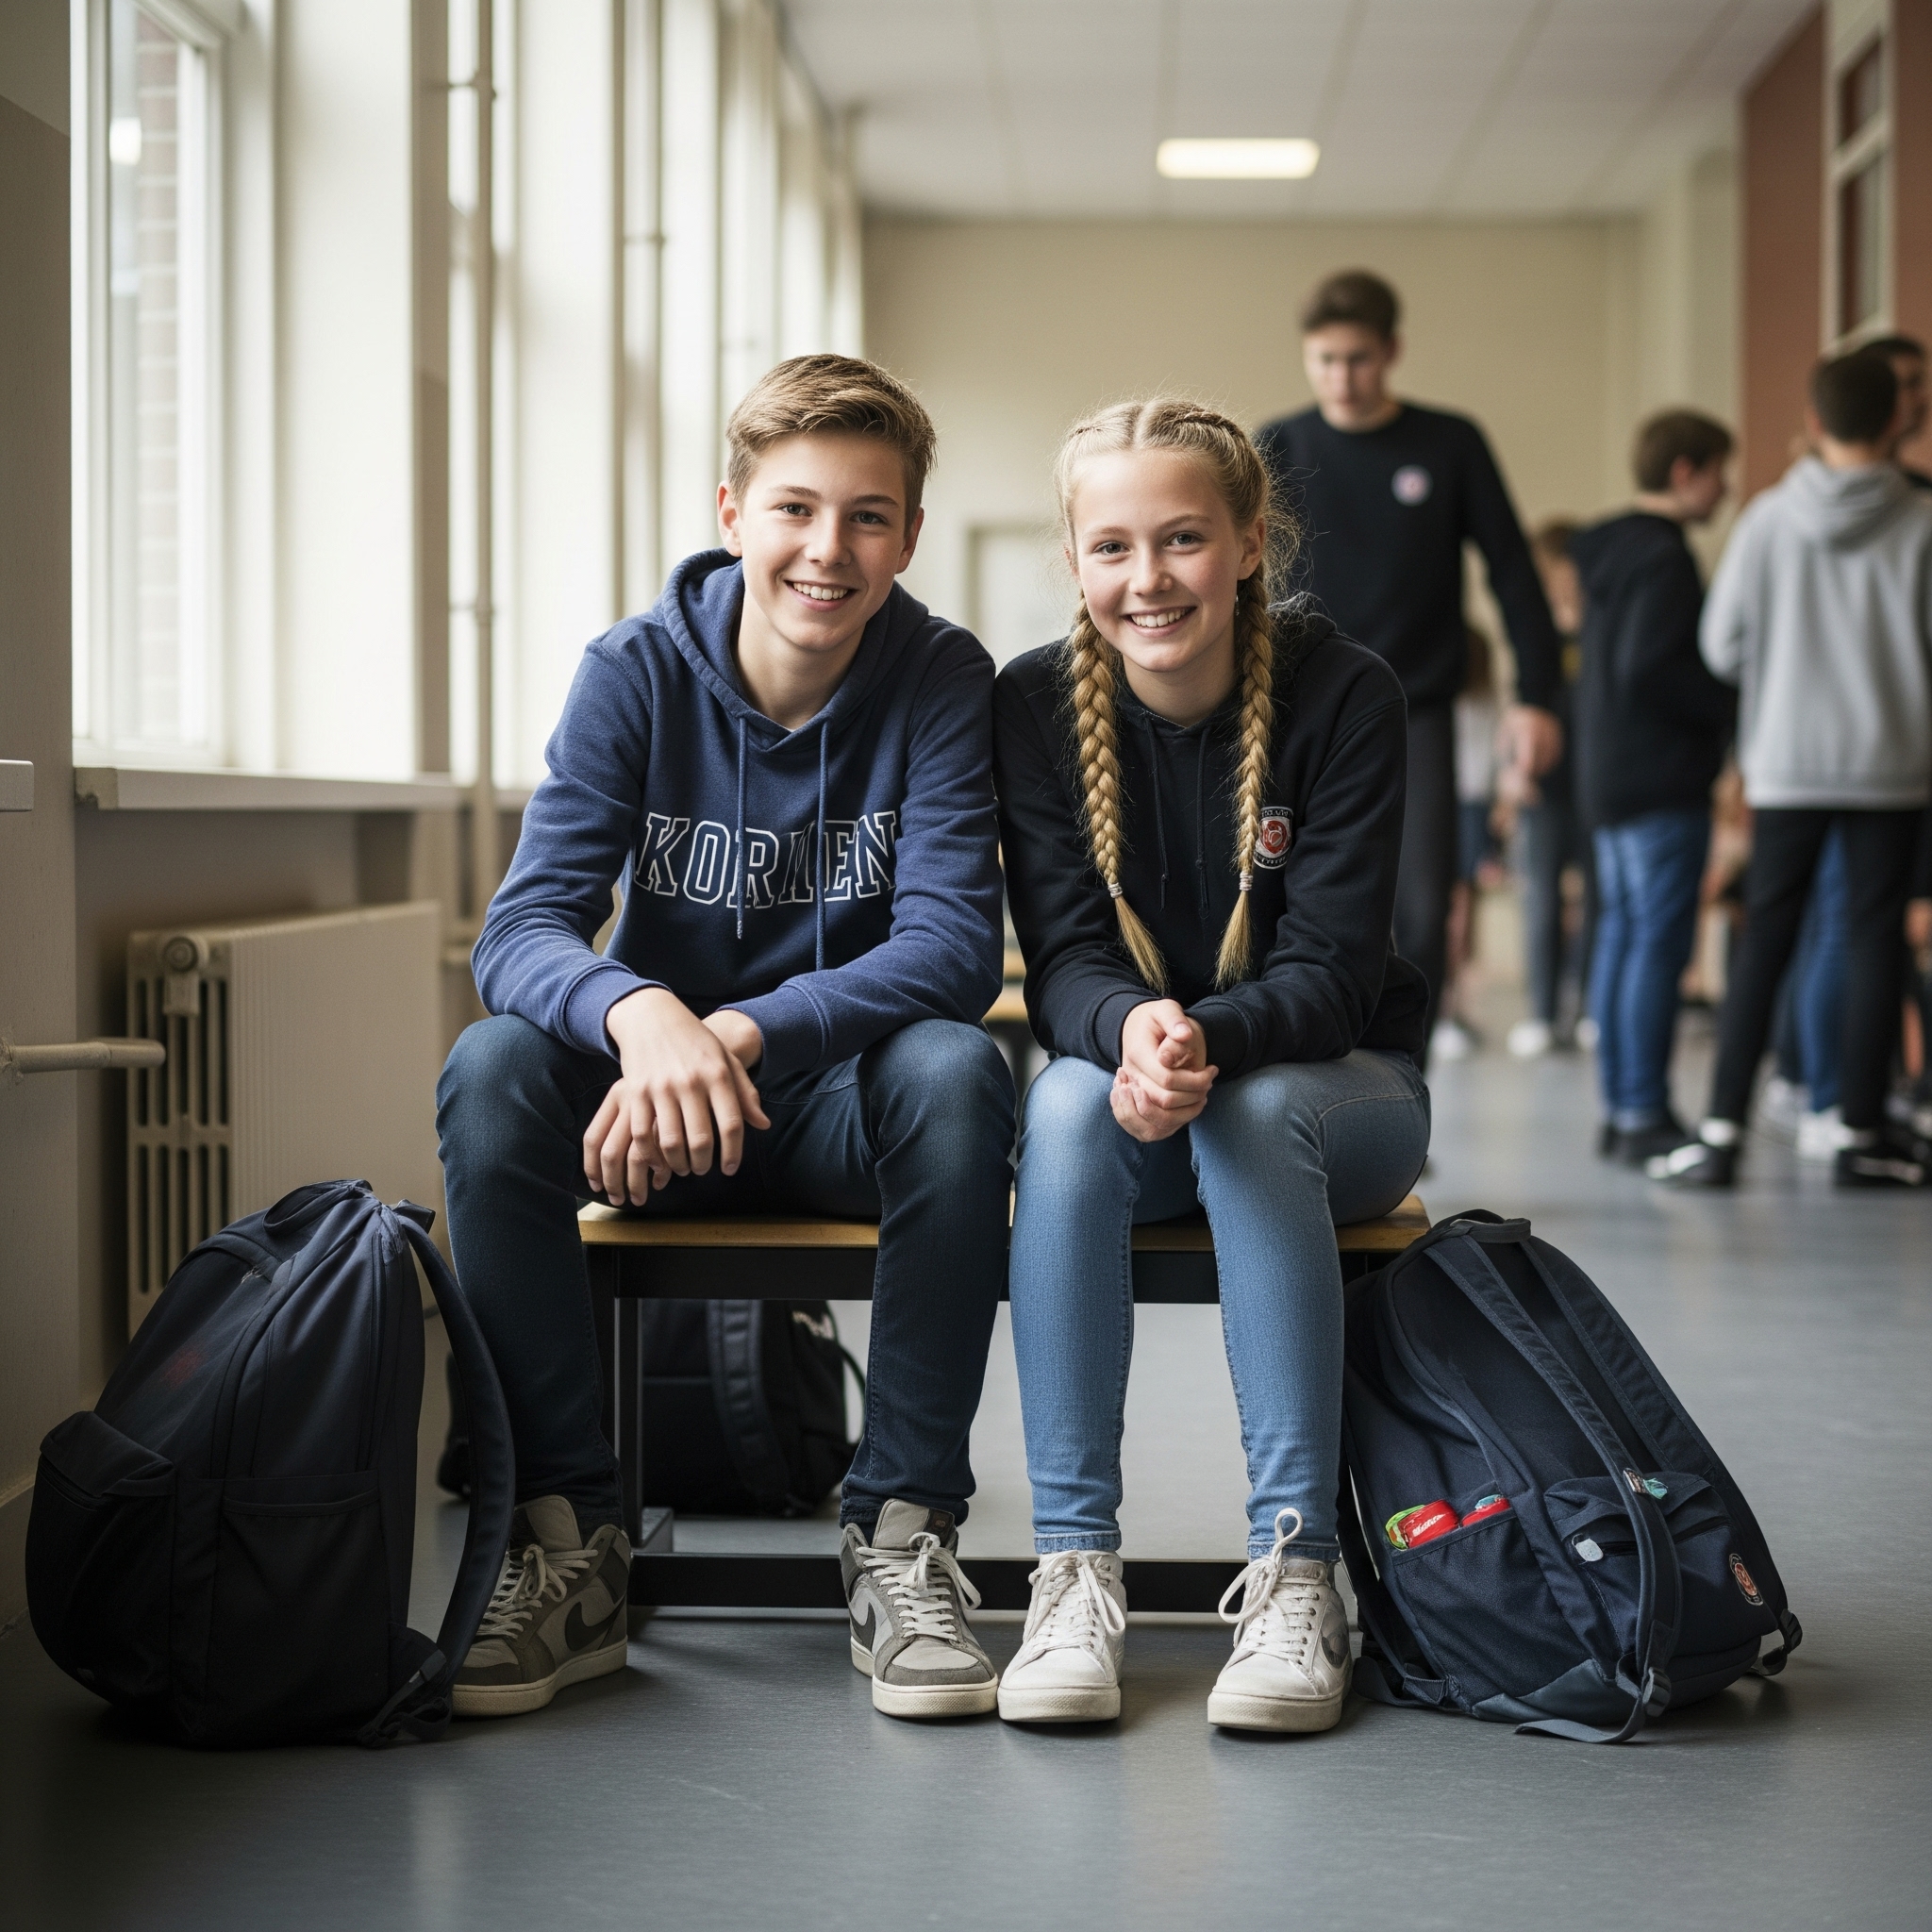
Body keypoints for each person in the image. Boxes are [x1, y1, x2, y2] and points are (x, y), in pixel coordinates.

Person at [436, 355, 1016, 1721]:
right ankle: (565, 1540)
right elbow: (519, 934)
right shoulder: (635, 673)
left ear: (910, 537)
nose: (830, 549)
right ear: (733, 513)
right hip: (649, 1117)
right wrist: (643, 1014)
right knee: (495, 1070)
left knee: (957, 1068)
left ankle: (903, 1535)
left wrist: (737, 1031)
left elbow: (947, 949)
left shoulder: (941, 677)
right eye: (797, 509)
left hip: (830, 1113)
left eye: (870, 516)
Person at [991, 399, 1430, 1732]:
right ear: (1075, 562)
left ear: (1248, 543)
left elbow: (1337, 977)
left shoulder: (1345, 692)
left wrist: (1200, 1038)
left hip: (1331, 1094)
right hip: (1133, 1090)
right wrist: (1131, 1033)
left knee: (1249, 1119)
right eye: (1114, 546)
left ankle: (1299, 1572)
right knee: (1062, 1107)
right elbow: (1062, 961)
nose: (1149, 578)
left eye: (1182, 539)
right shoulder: (1028, 705)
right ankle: (1071, 1574)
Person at [1256, 270, 1565, 1053]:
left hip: (1411, 706)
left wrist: (1537, 696)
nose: (1341, 378)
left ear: (1391, 352)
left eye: (1357, 359)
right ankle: (1304, 1075)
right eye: (1324, 360)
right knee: (1280, 901)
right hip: (1292, 701)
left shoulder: (1449, 443)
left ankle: (1394, 1087)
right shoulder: (1279, 445)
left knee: (1423, 911)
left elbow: (1513, 574)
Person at [1650, 353, 1932, 1189]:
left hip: (1785, 762)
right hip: (1891, 763)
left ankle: (1725, 1127)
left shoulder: (1769, 519)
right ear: (1895, 421)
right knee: (1875, 938)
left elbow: (1720, 645)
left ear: (1813, 423)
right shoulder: (1922, 520)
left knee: (1767, 937)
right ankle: (1858, 1128)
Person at [1570, 409, 1736, 1166]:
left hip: (1608, 773)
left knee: (1623, 939)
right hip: (1660, 777)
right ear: (1684, 473)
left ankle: (1622, 1108)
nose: (1725, 490)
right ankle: (1642, 1110)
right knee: (1655, 949)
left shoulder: (1607, 549)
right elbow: (1651, 666)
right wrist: (1728, 705)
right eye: (1718, 472)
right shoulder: (1665, 556)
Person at [1506, 520, 1591, 1058]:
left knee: (1598, 901)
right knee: (1540, 896)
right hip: (1544, 787)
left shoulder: (1598, 627)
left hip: (1594, 784)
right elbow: (1516, 711)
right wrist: (1514, 773)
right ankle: (1541, 1012)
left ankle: (1581, 1007)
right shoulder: (1533, 636)